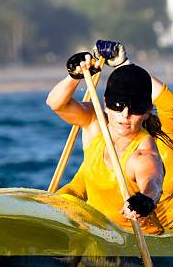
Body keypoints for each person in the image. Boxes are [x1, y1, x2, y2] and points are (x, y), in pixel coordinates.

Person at [46, 50, 166, 234]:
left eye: (135, 109)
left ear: (148, 111)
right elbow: (56, 103)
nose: (125, 115)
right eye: (117, 105)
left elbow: (153, 182)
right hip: (98, 233)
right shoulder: (95, 123)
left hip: (140, 242)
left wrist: (145, 200)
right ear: (105, 103)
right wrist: (74, 76)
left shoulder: (143, 152)